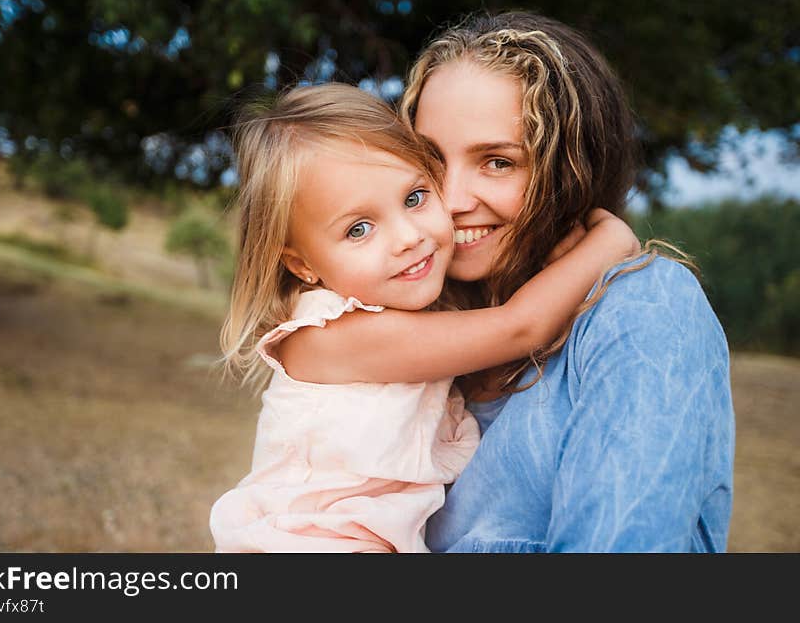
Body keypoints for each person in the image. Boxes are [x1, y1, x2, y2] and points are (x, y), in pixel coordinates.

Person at [208, 82, 640, 552]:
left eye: (414, 198)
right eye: (359, 229)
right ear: (302, 265)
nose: (408, 237)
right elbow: (519, 327)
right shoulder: (332, 335)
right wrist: (609, 241)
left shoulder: (398, 313)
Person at [399, 10, 735, 552]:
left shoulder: (644, 309)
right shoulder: (421, 334)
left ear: (573, 169)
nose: (453, 200)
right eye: (430, 160)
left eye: (498, 163)